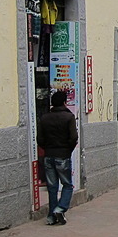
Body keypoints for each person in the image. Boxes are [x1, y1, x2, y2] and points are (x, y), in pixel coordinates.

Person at [37, 90, 78, 226]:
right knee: (67, 185)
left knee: (52, 187)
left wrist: (47, 149)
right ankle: (60, 208)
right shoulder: (69, 117)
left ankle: (51, 217)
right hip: (63, 155)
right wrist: (67, 150)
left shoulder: (44, 118)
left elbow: (40, 139)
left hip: (48, 156)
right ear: (64, 102)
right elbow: (73, 138)